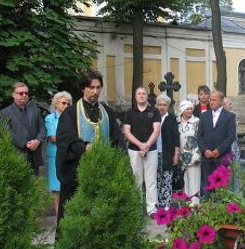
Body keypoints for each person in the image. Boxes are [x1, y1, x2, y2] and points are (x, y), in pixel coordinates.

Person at [56, 70, 123, 224]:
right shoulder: (71, 113)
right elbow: (65, 140)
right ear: (83, 88)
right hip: (78, 174)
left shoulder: (107, 112)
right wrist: (84, 147)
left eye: (98, 87)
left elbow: (117, 139)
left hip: (104, 174)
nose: (95, 91)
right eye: (91, 87)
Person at [123, 86, 161, 215]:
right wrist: (140, 145)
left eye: (144, 93)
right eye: (139, 94)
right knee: (136, 180)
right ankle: (137, 209)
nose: (141, 95)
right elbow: (126, 132)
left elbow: (156, 130)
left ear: (146, 96)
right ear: (135, 96)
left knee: (151, 181)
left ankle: (152, 210)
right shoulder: (130, 113)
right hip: (134, 151)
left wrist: (146, 146)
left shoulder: (154, 111)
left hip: (151, 150)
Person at [0, 82, 46, 175]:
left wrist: (38, 141)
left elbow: (42, 128)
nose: (24, 95)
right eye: (21, 93)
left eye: (26, 93)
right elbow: (7, 132)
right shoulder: (5, 112)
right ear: (13, 94)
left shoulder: (35, 110)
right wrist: (25, 144)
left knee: (34, 186)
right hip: (17, 154)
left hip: (34, 155)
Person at [197, 91, 236, 195]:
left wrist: (219, 150)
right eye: (211, 99)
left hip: (221, 157)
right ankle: (208, 207)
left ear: (221, 101)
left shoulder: (229, 116)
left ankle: (220, 208)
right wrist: (205, 150)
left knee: (221, 187)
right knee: (207, 185)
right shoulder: (204, 116)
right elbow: (199, 136)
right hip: (207, 157)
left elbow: (231, 136)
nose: (211, 102)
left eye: (214, 100)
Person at [44, 91, 72, 216]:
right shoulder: (50, 118)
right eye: (63, 103)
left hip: (70, 155)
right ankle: (58, 217)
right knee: (56, 189)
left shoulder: (72, 118)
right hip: (55, 156)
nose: (66, 106)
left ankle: (69, 215)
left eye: (68, 104)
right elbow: (53, 138)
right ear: (56, 104)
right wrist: (69, 138)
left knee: (69, 186)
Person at [155, 95, 180, 209]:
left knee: (167, 178)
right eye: (160, 105)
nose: (162, 107)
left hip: (168, 152)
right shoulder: (153, 117)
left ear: (168, 106)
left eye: (164, 105)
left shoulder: (171, 118)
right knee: (155, 179)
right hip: (154, 152)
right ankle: (156, 203)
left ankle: (166, 204)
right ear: (156, 105)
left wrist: (176, 154)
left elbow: (176, 137)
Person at [178, 100, 201, 206]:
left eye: (191, 108)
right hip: (182, 155)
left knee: (194, 180)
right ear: (182, 110)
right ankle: (187, 203)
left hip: (194, 156)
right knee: (185, 179)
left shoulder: (197, 121)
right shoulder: (177, 121)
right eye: (187, 109)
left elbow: (200, 138)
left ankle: (195, 204)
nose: (190, 111)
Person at [223, 97, 242, 192]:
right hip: (225, 146)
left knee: (236, 169)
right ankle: (227, 193)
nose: (232, 105)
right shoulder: (220, 117)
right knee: (227, 171)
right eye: (229, 104)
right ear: (223, 105)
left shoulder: (233, 115)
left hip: (235, 145)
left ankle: (237, 193)